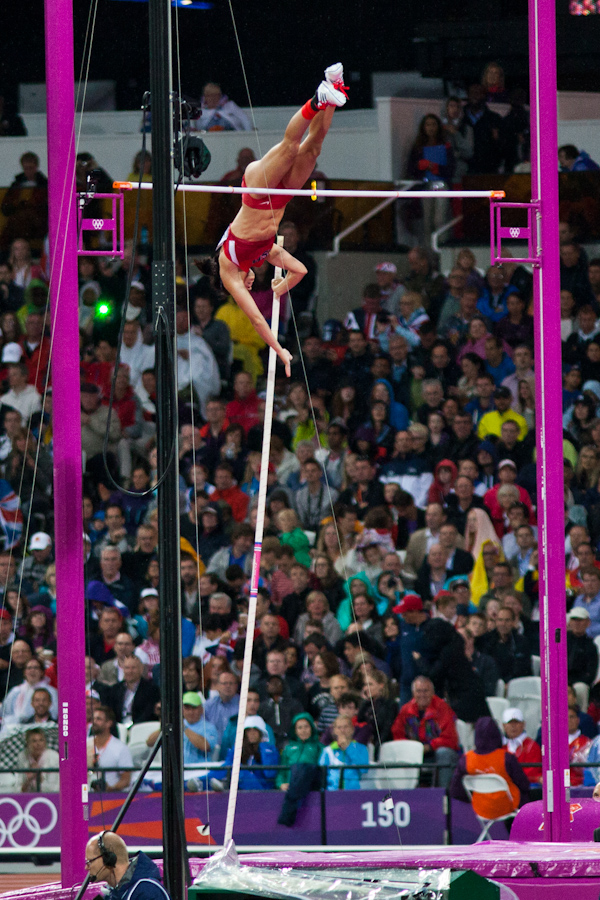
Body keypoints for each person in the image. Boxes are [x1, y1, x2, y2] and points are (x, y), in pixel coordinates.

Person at [212, 64, 348, 375]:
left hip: (256, 192)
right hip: (281, 197)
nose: (249, 285)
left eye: (247, 287)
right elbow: (299, 270)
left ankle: (316, 101)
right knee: (312, 150)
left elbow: (258, 320)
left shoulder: (229, 269)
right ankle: (334, 88)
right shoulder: (266, 253)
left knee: (289, 149)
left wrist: (279, 350)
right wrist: (278, 290)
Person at [450, 716, 530, 821]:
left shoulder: (466, 759)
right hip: (508, 807)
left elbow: (455, 791)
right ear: (497, 734)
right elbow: (524, 785)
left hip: (480, 809)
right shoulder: (506, 757)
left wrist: (475, 799)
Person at [391, 675, 459, 788]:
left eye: (426, 691)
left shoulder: (442, 708)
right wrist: (410, 748)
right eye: (418, 691)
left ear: (432, 692)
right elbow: (397, 734)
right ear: (413, 693)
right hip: (414, 753)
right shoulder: (406, 710)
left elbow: (450, 739)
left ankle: (444, 796)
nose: (422, 694)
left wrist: (429, 746)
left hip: (438, 752)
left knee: (443, 753)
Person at [84, 831, 171, 899]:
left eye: (90, 861)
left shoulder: (148, 892)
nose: (86, 867)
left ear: (108, 859)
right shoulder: (111, 895)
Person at [87, 706, 134, 793]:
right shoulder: (85, 745)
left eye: (98, 719)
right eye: (93, 719)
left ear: (109, 723)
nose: (94, 722)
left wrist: (110, 789)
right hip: (87, 795)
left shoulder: (120, 748)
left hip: (111, 797)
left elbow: (126, 780)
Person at [319, 714, 370, 789]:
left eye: (346, 727)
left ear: (352, 729)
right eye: (339, 727)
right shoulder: (327, 751)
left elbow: (364, 769)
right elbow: (321, 775)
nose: (342, 730)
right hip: (332, 793)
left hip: (354, 792)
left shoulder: (361, 748)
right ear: (335, 731)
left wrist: (348, 748)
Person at [16, 727, 60, 793]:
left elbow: (54, 789)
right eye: (34, 741)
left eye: (41, 740)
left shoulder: (54, 756)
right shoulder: (22, 756)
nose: (38, 744)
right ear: (28, 744)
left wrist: (39, 776)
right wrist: (29, 779)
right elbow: (18, 789)